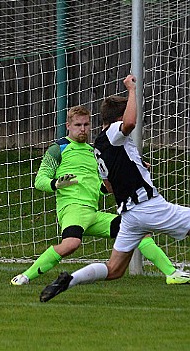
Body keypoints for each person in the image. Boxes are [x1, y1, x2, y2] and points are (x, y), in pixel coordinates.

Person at [40, 74, 190, 302]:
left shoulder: (99, 146)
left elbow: (109, 183)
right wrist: (131, 90)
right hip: (147, 206)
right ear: (117, 119)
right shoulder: (113, 132)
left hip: (130, 216)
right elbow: (129, 123)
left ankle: (70, 280)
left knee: (114, 270)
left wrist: (135, 167)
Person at [10, 105, 189, 287]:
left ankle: (173, 273)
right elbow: (39, 180)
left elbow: (104, 187)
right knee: (71, 244)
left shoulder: (93, 151)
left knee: (141, 233)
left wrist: (135, 169)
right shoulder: (58, 149)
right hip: (72, 210)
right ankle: (25, 276)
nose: (83, 129)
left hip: (93, 214)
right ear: (68, 126)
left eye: (86, 124)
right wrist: (56, 183)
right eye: (78, 125)